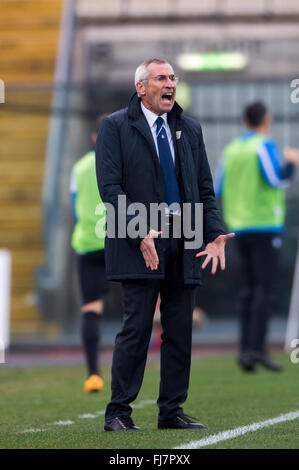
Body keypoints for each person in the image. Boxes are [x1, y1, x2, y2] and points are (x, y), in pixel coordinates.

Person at [96, 58, 234, 431]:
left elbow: (205, 189)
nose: (169, 83)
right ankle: (118, 413)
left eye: (173, 77)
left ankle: (170, 411)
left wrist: (214, 231)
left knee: (179, 328)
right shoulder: (115, 126)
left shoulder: (189, 128)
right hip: (141, 236)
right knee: (137, 327)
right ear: (141, 87)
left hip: (185, 234)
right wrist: (139, 230)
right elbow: (110, 189)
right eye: (161, 78)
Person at [215, 101, 299, 372]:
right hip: (263, 225)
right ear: (266, 119)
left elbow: (216, 186)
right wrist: (291, 163)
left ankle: (245, 351)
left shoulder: (230, 150)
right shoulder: (263, 145)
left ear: (244, 121)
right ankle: (257, 349)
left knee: (249, 289)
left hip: (237, 227)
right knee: (265, 288)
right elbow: (276, 179)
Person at [70, 114, 109, 393]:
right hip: (119, 242)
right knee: (141, 301)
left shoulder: (80, 167)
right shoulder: (123, 162)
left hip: (87, 243)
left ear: (94, 137)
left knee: (91, 309)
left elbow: (75, 207)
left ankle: (93, 374)